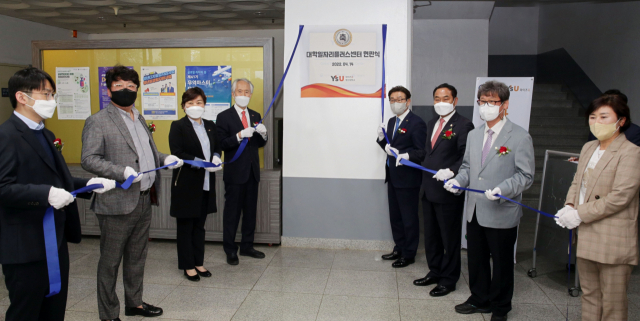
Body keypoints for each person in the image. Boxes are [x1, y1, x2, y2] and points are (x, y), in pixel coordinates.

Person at [0, 67, 116, 321]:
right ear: (22, 97)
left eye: (53, 95)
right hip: (25, 243)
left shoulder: (46, 133)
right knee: (26, 311)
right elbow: (3, 188)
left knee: (54, 309)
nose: (51, 101)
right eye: (46, 95)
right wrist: (45, 194)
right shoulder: (6, 136)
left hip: (54, 239)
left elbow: (57, 179)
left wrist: (90, 185)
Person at [81, 65, 184, 321]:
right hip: (116, 203)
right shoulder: (98, 120)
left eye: (130, 86)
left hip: (143, 199)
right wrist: (120, 171)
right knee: (110, 262)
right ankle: (109, 314)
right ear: (109, 90)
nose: (125, 90)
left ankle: (134, 303)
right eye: (119, 86)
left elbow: (147, 154)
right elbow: (89, 159)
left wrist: (166, 157)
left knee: (137, 257)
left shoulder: (139, 118)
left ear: (137, 89)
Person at [442, 80, 534, 321]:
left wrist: (503, 188)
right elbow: (467, 167)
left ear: (504, 105)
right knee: (476, 259)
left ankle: (501, 307)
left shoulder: (520, 136)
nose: (486, 107)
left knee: (502, 264)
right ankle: (479, 298)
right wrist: (458, 181)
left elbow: (526, 176)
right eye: (482, 102)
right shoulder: (473, 135)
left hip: (501, 210)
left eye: (492, 102)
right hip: (474, 209)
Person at [556, 95, 640, 321]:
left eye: (604, 117)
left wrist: (579, 214)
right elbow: (577, 181)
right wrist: (570, 205)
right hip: (586, 233)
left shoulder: (631, 152)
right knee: (590, 294)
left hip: (612, 236)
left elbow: (620, 197)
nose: (597, 122)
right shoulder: (588, 147)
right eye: (593, 117)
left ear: (621, 121)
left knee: (613, 301)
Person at [413, 83, 474, 296]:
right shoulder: (431, 123)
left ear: (455, 101)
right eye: (437, 98)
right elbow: (427, 154)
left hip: (448, 190)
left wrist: (452, 171)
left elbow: (466, 157)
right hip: (428, 189)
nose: (441, 102)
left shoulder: (464, 125)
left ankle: (449, 279)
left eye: (445, 98)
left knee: (449, 238)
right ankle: (435, 271)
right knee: (431, 236)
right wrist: (406, 156)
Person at [168, 87, 222, 281]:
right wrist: (202, 162)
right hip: (186, 184)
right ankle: (187, 265)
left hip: (206, 184)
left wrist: (216, 157)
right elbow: (178, 152)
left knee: (200, 226)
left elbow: (217, 147)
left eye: (198, 102)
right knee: (185, 227)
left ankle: (199, 262)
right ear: (184, 107)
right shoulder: (178, 126)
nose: (194, 106)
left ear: (204, 105)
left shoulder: (210, 125)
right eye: (190, 103)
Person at [216, 78, 268, 265]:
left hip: (252, 173)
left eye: (247, 92)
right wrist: (238, 136)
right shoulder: (224, 117)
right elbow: (221, 143)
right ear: (233, 94)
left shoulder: (255, 114)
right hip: (235, 173)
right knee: (232, 214)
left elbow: (259, 143)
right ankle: (230, 249)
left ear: (251, 94)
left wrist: (263, 134)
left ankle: (247, 246)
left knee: (250, 213)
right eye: (240, 91)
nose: (243, 95)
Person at [377, 85, 427, 268]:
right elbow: (390, 149)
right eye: (392, 100)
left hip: (408, 179)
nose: (396, 103)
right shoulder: (391, 122)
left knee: (409, 218)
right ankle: (399, 247)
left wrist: (406, 155)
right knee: (395, 217)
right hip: (392, 176)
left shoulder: (416, 122)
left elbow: (422, 152)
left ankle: (409, 253)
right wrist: (382, 139)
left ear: (408, 101)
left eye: (400, 99)